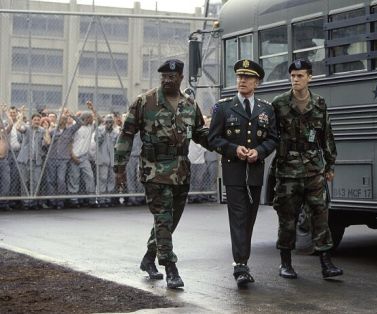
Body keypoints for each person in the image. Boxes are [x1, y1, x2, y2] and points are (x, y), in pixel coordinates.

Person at [114, 59, 209, 289]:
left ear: (181, 79)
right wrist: (119, 168)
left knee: (169, 221)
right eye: (164, 77)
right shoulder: (145, 102)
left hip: (181, 172)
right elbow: (126, 135)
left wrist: (227, 145)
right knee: (163, 218)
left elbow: (200, 134)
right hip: (154, 170)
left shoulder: (189, 105)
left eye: (172, 77)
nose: (167, 80)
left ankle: (148, 259)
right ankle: (170, 268)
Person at [208, 59, 278, 288]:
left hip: (255, 173)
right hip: (234, 172)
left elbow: (273, 138)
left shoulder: (266, 109)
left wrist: (259, 151)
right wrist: (234, 149)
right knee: (238, 217)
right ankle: (240, 265)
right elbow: (214, 138)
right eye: (239, 77)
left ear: (256, 82)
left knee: (249, 218)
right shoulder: (223, 107)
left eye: (247, 78)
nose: (242, 81)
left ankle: (242, 259)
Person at [271, 58, 343, 279]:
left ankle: (326, 263)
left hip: (313, 169)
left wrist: (330, 165)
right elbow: (271, 136)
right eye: (292, 76)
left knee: (320, 215)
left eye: (300, 75)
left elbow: (326, 136)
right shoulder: (279, 103)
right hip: (288, 170)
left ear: (309, 77)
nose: (295, 79)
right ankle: (285, 263)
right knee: (288, 218)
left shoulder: (319, 103)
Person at [96, 114, 119, 207]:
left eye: (111, 122)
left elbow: (118, 145)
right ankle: (101, 199)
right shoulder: (100, 130)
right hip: (103, 159)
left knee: (111, 179)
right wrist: (105, 131)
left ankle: (109, 198)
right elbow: (97, 141)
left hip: (113, 160)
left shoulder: (116, 132)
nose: (109, 124)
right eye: (107, 122)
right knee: (103, 178)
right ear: (104, 122)